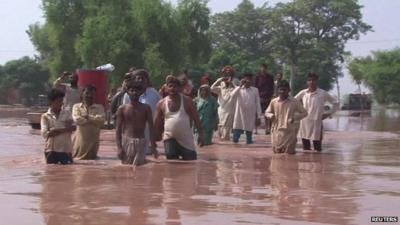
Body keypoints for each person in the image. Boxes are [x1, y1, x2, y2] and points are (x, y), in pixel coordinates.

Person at [154, 76, 204, 160]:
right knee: (172, 163)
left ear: (180, 88)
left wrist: (201, 135)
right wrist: (153, 140)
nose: (173, 88)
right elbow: (156, 123)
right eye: (170, 86)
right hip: (169, 138)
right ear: (166, 88)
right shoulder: (161, 103)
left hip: (186, 138)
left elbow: (196, 118)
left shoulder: (187, 101)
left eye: (175, 86)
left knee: (191, 161)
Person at [116, 81, 158, 166]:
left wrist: (153, 146)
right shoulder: (122, 108)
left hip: (141, 142)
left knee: (140, 168)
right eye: (132, 90)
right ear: (128, 92)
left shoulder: (146, 108)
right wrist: (119, 148)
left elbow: (151, 127)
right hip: (127, 141)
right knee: (126, 169)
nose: (134, 93)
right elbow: (118, 130)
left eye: (137, 91)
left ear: (141, 92)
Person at [295, 73, 339, 152]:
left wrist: (328, 113)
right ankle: (305, 164)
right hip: (305, 122)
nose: (311, 82)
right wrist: (298, 113)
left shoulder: (322, 93)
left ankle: (317, 163)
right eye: (309, 80)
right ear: (307, 82)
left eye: (313, 80)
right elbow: (293, 102)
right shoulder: (303, 93)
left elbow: (336, 103)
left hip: (317, 123)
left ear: (317, 81)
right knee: (306, 149)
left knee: (317, 148)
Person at [122, 70, 162, 155]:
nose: (140, 80)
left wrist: (159, 129)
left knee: (146, 153)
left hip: (149, 126)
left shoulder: (154, 93)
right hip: (132, 127)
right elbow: (124, 113)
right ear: (134, 80)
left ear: (147, 80)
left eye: (142, 78)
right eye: (138, 78)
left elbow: (161, 109)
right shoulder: (127, 95)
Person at [265, 80, 308, 154]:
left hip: (289, 132)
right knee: (276, 155)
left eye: (284, 90)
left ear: (289, 90)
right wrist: (271, 116)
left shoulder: (294, 102)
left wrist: (295, 118)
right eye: (280, 89)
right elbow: (267, 112)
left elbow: (305, 113)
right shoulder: (274, 101)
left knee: (289, 155)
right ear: (277, 90)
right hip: (276, 131)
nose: (282, 92)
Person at [40, 89, 75, 164]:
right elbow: (45, 134)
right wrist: (65, 129)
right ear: (51, 102)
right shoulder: (45, 116)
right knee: (50, 172)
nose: (61, 103)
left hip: (65, 150)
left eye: (62, 101)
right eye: (58, 101)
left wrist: (55, 130)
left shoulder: (67, 113)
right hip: (51, 150)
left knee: (68, 172)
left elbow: (73, 128)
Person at [72, 85, 105, 160]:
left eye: (92, 94)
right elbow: (77, 119)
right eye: (87, 93)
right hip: (80, 142)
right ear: (82, 94)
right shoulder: (76, 107)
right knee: (77, 162)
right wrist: (94, 119)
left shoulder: (99, 107)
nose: (89, 96)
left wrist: (88, 117)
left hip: (93, 143)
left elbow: (102, 120)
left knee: (92, 161)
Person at [231, 73, 263, 144]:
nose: (248, 81)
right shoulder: (238, 89)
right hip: (239, 114)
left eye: (250, 79)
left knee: (249, 140)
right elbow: (232, 95)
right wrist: (240, 85)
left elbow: (258, 103)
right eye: (246, 79)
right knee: (235, 139)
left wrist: (259, 116)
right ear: (243, 80)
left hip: (250, 115)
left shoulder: (255, 90)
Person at [210, 66, 237, 141]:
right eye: (225, 74)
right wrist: (218, 80)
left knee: (226, 130)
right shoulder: (221, 86)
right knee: (220, 130)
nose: (227, 76)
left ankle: (226, 147)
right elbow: (211, 89)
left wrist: (231, 83)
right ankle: (223, 148)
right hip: (221, 110)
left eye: (229, 74)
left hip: (230, 110)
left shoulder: (235, 85)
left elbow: (238, 91)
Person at [254, 63, 274, 134]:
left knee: (267, 114)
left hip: (267, 98)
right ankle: (255, 129)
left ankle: (267, 129)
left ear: (266, 69)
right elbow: (255, 87)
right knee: (257, 114)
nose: (263, 69)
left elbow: (272, 87)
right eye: (262, 68)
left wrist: (271, 96)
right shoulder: (258, 77)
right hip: (259, 97)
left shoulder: (270, 77)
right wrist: (257, 97)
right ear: (260, 68)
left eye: (265, 68)